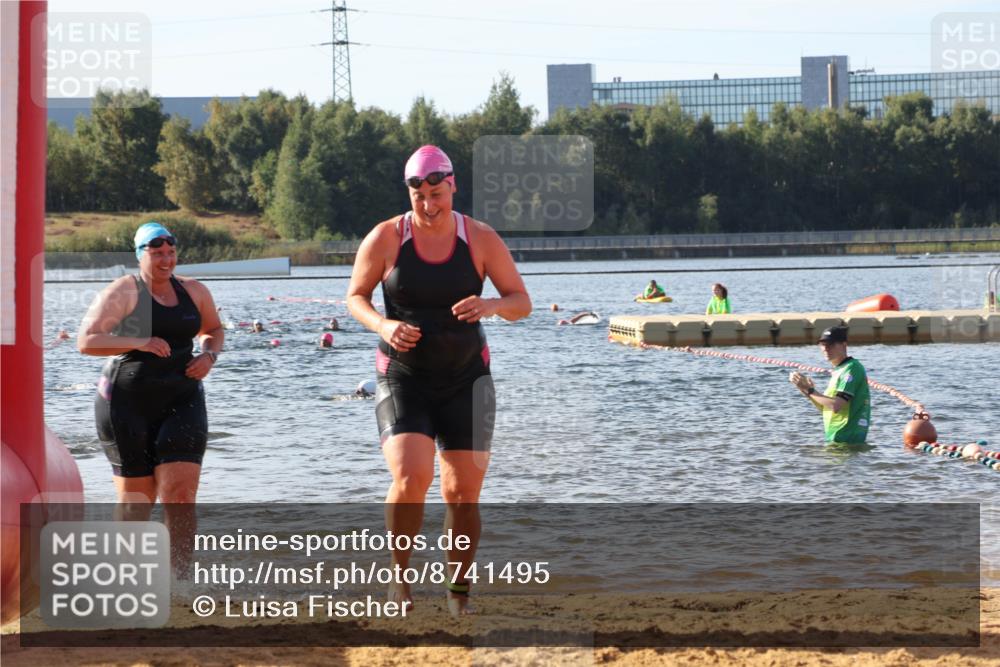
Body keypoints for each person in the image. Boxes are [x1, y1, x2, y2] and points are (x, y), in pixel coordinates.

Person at [346, 145, 531, 616]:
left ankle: (457, 595)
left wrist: (491, 305)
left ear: (453, 186)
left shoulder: (481, 238)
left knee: (462, 494)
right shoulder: (386, 237)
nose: (428, 205)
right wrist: (384, 326)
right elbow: (356, 298)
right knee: (411, 477)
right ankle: (400, 580)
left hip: (467, 377)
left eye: (436, 194)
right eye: (419, 196)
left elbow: (520, 302)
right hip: (404, 376)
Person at [78, 222, 223, 575]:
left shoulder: (194, 291)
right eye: (157, 253)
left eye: (170, 253)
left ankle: (181, 582)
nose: (166, 260)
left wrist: (209, 356)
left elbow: (214, 330)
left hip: (183, 397)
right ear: (140, 254)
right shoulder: (124, 291)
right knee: (136, 504)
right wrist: (138, 341)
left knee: (181, 495)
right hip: (127, 403)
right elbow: (87, 340)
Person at [789, 326, 871, 445]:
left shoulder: (851, 368)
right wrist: (804, 389)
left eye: (831, 345)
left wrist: (811, 390)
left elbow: (836, 406)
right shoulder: (839, 370)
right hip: (836, 439)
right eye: (823, 345)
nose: (826, 349)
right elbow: (825, 408)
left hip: (848, 439)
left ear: (844, 345)